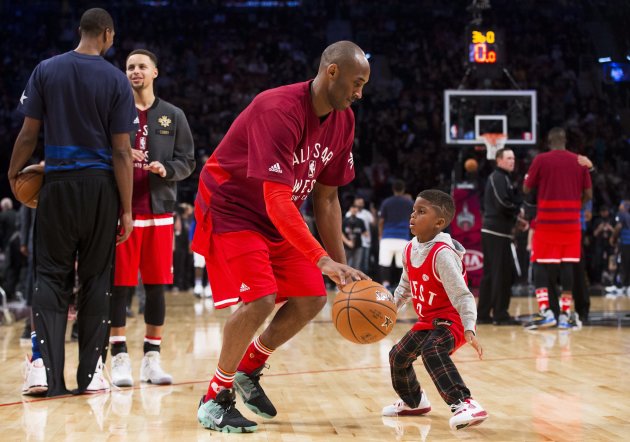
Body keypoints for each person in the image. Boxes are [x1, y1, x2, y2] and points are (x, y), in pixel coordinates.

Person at [192, 40, 370, 433]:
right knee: (260, 298)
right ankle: (214, 399)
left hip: (277, 215)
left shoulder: (344, 121)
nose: (359, 94)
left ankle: (248, 369)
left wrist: (339, 271)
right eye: (356, 83)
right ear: (332, 72)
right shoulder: (277, 108)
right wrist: (319, 257)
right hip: (232, 207)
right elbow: (276, 198)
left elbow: (326, 198)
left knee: (311, 297)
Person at [8, 8, 135, 397]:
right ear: (108, 34)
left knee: (49, 276)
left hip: (58, 186)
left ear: (81, 31)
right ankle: (90, 375)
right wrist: (126, 209)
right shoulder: (116, 80)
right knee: (96, 277)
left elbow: (29, 135)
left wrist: (13, 174)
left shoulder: (46, 70)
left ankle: (46, 372)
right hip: (100, 189)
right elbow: (122, 154)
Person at [109, 49, 195, 387]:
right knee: (120, 289)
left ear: (155, 72)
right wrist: (119, 154)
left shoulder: (173, 115)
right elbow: (102, 153)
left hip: (159, 213)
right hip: (122, 212)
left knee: (157, 288)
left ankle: (151, 358)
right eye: (130, 67)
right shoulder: (115, 113)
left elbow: (188, 160)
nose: (135, 71)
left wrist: (167, 168)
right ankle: (118, 358)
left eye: (141, 66)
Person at [381, 189, 488, 431]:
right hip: (428, 320)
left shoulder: (443, 254)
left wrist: (469, 327)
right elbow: (405, 287)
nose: (413, 216)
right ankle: (414, 401)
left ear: (438, 223)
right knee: (397, 355)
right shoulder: (409, 249)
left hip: (452, 320)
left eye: (421, 212)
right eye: (413, 210)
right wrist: (389, 309)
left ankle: (465, 403)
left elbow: (463, 295)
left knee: (433, 350)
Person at [522, 128, 592, 330]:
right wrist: (576, 204)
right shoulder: (579, 161)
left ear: (548, 141)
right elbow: (588, 193)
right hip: (571, 223)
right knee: (567, 265)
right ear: (565, 141)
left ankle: (546, 312)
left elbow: (527, 188)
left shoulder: (541, 160)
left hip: (547, 221)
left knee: (539, 264)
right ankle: (565, 314)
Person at [477, 148, 523, 325]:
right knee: (502, 274)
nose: (512, 161)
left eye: (513, 158)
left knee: (491, 274)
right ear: (499, 161)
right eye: (509, 158)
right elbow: (503, 203)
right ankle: (500, 314)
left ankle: (483, 314)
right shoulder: (497, 177)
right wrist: (519, 213)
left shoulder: (505, 178)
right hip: (496, 232)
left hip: (497, 232)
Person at [378, 179, 414, 290]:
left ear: (393, 189)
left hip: (387, 236)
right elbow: (413, 219)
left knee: (385, 263)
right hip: (403, 237)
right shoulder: (409, 202)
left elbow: (381, 221)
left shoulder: (386, 202)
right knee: (402, 265)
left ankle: (385, 285)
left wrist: (380, 235)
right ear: (403, 189)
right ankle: (401, 288)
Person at [345, 197, 374, 275]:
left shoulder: (365, 215)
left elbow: (370, 227)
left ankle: (360, 283)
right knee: (349, 264)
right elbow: (342, 232)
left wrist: (358, 232)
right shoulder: (347, 217)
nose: (359, 205)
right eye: (358, 203)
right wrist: (348, 241)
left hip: (363, 242)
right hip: (348, 244)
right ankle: (347, 283)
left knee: (362, 264)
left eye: (361, 203)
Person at [342, 203, 367, 268]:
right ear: (350, 209)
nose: (354, 209)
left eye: (355, 208)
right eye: (352, 208)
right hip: (347, 246)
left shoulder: (360, 221)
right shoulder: (345, 220)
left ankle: (355, 278)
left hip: (358, 245)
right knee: (345, 265)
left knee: (357, 266)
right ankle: (346, 278)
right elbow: (340, 233)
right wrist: (347, 242)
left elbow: (365, 233)